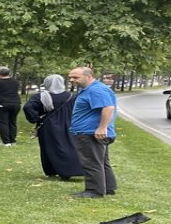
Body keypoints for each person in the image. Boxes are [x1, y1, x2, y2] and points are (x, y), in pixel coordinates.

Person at [66, 67, 118, 198]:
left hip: (91, 133)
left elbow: (108, 108)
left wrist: (102, 128)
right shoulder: (89, 89)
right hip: (91, 132)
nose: (72, 80)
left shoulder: (95, 90)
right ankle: (108, 187)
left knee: (91, 162)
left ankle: (94, 191)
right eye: (70, 77)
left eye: (75, 77)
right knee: (101, 161)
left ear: (88, 76)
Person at [23, 74, 83, 179]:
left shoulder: (41, 96)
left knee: (48, 148)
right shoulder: (71, 96)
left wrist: (36, 118)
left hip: (48, 125)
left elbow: (28, 107)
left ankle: (51, 170)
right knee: (69, 145)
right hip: (68, 124)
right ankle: (70, 170)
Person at [0, 66, 21, 146]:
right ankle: (12, 141)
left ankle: (6, 142)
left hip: (1, 104)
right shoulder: (16, 82)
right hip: (15, 104)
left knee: (2, 123)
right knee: (12, 122)